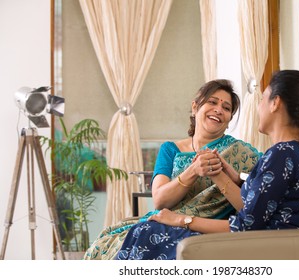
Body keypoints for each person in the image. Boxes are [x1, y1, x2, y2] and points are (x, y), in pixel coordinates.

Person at [114, 70, 299, 260]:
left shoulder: (281, 154)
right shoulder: (292, 151)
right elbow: (259, 202)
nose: (258, 107)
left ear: (275, 103)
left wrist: (181, 220)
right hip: (264, 241)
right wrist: (229, 177)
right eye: (212, 102)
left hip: (263, 247)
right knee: (145, 230)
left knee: (145, 232)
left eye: (263, 98)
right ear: (195, 107)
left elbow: (246, 223)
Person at [83, 79, 261, 259]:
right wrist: (193, 171)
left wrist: (227, 175)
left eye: (226, 108)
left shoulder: (241, 153)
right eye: (212, 102)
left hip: (209, 228)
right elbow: (160, 200)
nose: (218, 110)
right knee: (114, 242)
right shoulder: (170, 149)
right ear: (195, 107)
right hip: (166, 221)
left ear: (229, 119)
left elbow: (258, 197)